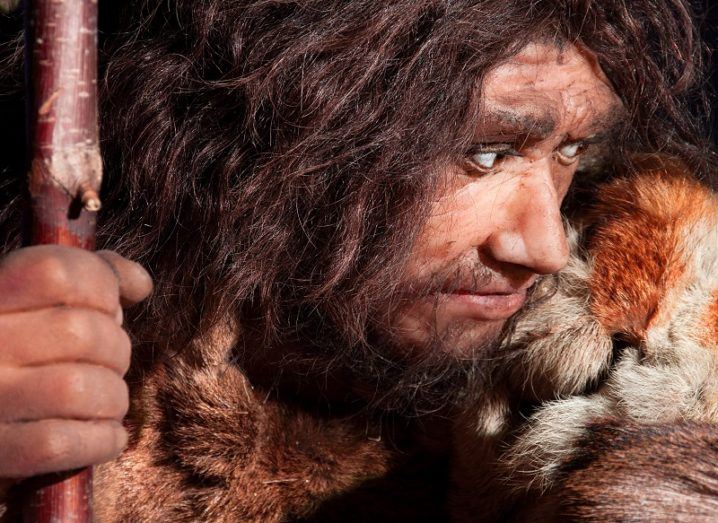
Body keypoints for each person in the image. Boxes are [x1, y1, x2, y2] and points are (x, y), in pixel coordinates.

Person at [0, 0, 716, 520]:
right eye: (486, 152)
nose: (545, 246)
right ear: (299, 126)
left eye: (569, 151)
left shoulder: (650, 348)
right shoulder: (56, 341)